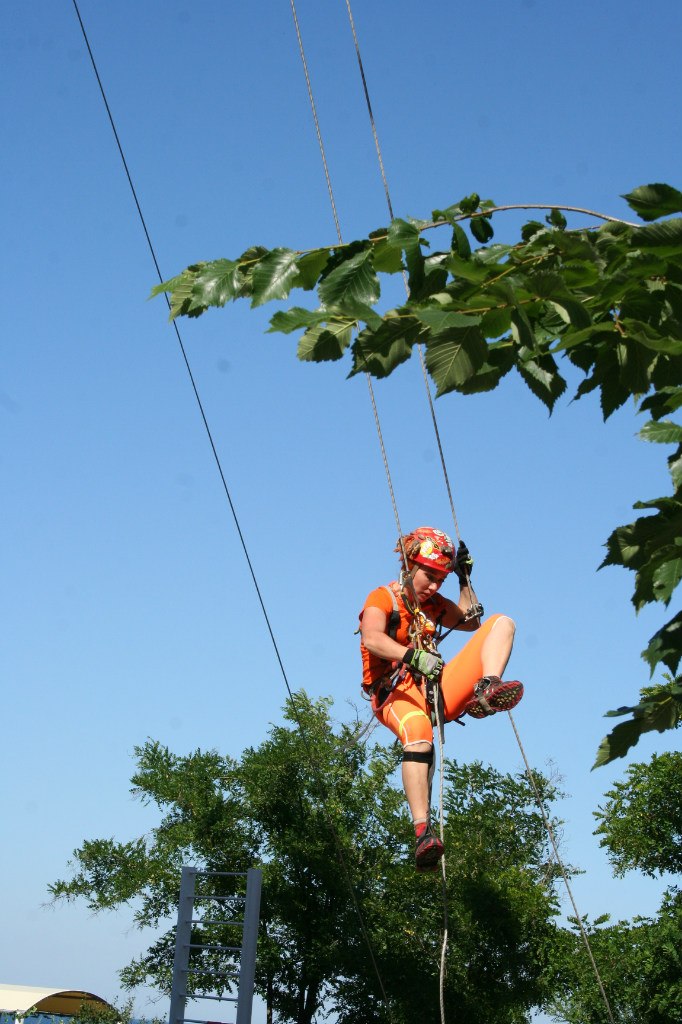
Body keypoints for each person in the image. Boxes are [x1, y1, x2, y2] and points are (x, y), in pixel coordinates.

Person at [359, 526, 523, 871]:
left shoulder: (433, 604)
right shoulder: (382, 598)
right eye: (429, 576)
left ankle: (488, 687)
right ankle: (423, 831)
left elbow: (471, 621)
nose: (434, 586)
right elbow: (372, 638)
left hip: (435, 689)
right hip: (396, 691)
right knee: (419, 735)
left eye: (440, 579)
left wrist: (464, 579)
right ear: (408, 566)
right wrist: (411, 656)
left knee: (501, 623)